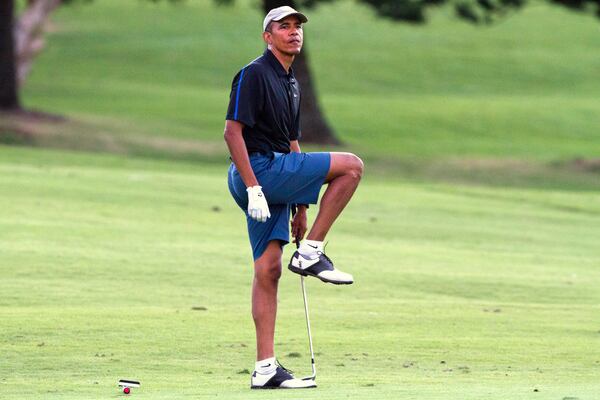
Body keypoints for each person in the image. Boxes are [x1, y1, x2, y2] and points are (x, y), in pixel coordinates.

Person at [224, 5, 363, 389]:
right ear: (267, 37)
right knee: (351, 166)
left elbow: (292, 142)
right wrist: (254, 187)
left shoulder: (291, 81)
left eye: (297, 27)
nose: (293, 33)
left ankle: (265, 368)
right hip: (257, 172)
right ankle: (312, 251)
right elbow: (232, 133)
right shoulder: (254, 74)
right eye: (283, 27)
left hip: (276, 173)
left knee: (268, 270)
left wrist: (302, 206)